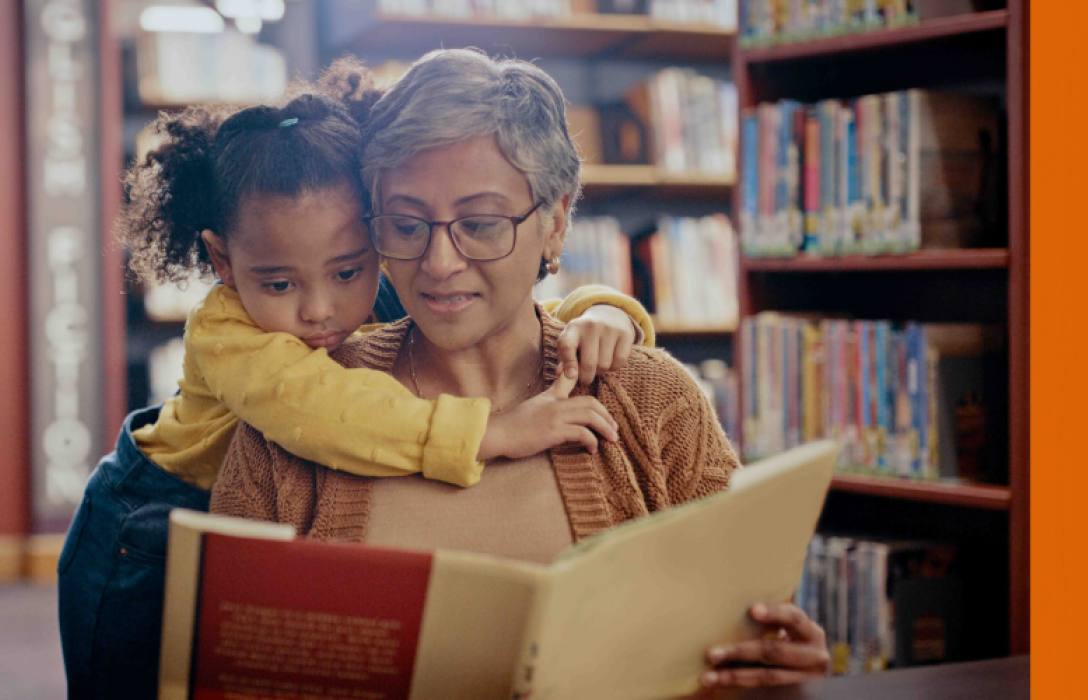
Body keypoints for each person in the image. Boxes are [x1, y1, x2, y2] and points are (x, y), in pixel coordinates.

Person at [209, 50, 833, 689]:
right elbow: (226, 667)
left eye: (480, 224)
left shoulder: (652, 398)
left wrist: (778, 671)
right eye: (405, 224)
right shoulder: (297, 417)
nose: (440, 261)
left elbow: (733, 638)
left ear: (556, 223)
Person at [57, 86, 663, 698]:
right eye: (278, 283)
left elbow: (506, 309)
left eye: (348, 270)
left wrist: (603, 313)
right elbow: (329, 414)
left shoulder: (373, 281)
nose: (321, 310)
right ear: (223, 259)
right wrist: (487, 434)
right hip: (145, 530)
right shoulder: (225, 332)